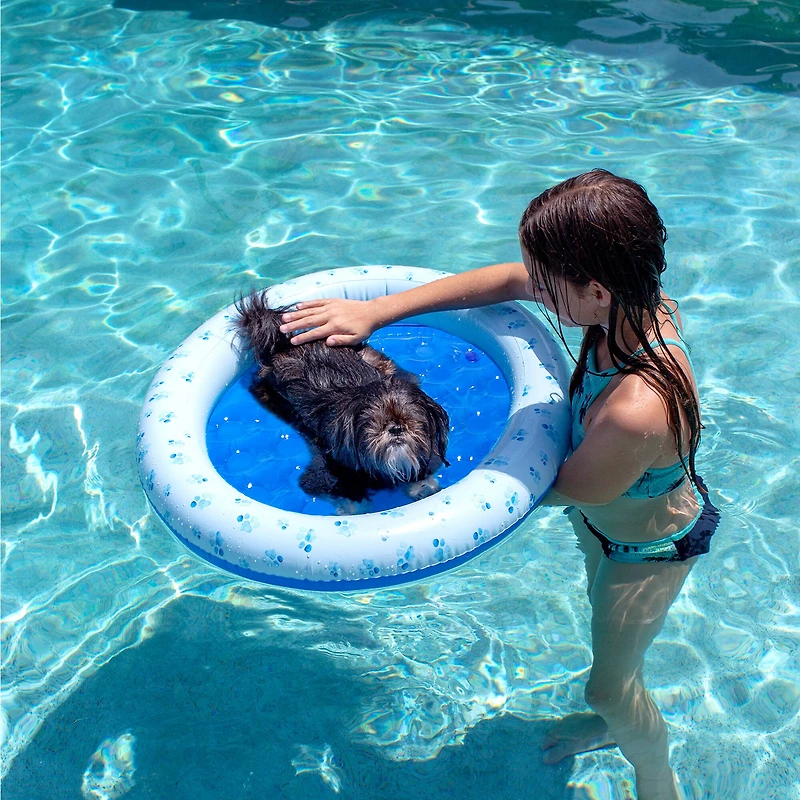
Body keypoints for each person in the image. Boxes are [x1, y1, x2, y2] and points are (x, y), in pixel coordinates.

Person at [278, 169, 719, 800]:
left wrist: (441, 483)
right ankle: (613, 716)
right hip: (608, 524)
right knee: (610, 642)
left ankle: (657, 780)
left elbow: (569, 487)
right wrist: (375, 312)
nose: (532, 289)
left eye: (547, 284)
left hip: (648, 549)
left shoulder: (637, 406)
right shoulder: (623, 304)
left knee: (609, 684)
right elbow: (503, 279)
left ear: (594, 289)